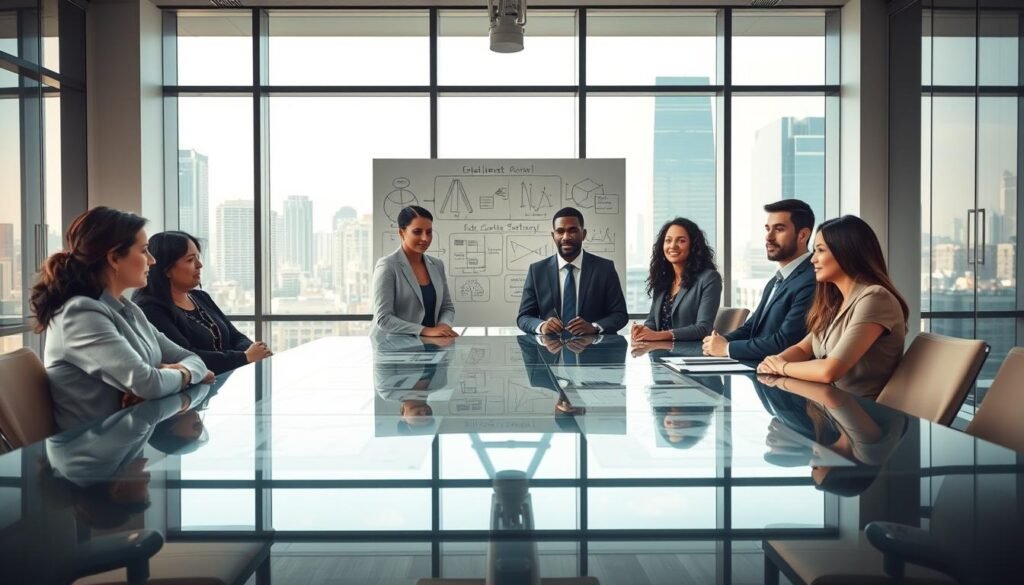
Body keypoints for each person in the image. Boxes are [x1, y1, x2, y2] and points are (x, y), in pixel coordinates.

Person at [31, 207, 212, 431]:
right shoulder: (80, 315)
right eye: (144, 251)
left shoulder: (129, 309)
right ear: (114, 258)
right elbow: (149, 384)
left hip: (125, 443)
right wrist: (182, 373)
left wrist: (165, 372)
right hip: (91, 455)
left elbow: (191, 358)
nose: (152, 261)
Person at [756, 215, 909, 398]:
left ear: (846, 252)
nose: (813, 259)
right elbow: (803, 349)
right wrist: (775, 361)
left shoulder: (875, 298)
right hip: (828, 407)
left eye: (820, 250)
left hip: (862, 415)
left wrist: (781, 367)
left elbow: (829, 370)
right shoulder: (835, 301)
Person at [133, 231, 271, 372]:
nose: (199, 265)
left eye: (198, 258)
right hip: (191, 390)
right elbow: (185, 356)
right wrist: (244, 357)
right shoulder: (150, 308)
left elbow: (236, 336)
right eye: (190, 260)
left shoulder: (201, 297)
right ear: (166, 269)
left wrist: (253, 352)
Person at [703, 199, 817, 360]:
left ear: (803, 235)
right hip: (760, 369)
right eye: (767, 229)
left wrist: (727, 348)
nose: (768, 237)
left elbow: (786, 342)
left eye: (779, 229)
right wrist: (721, 341)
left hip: (784, 377)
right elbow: (752, 327)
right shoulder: (775, 281)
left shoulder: (812, 279)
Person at [517, 207, 628, 336]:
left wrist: (594, 327)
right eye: (560, 231)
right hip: (550, 352)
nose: (566, 237)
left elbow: (620, 315)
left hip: (594, 351)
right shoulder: (537, 271)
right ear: (553, 236)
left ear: (584, 234)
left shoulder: (604, 268)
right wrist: (542, 326)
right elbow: (524, 317)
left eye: (573, 230)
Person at [372, 206, 457, 337]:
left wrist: (443, 326)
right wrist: (426, 330)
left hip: (430, 346)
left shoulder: (437, 265)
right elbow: (384, 319)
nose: (425, 238)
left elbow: (447, 307)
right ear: (401, 233)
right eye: (417, 232)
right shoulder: (387, 266)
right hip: (395, 349)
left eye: (429, 232)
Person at [632, 217, 722, 343]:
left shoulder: (709, 278)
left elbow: (704, 328)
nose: (672, 246)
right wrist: (643, 330)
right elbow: (652, 320)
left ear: (693, 245)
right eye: (668, 240)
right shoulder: (663, 279)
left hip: (689, 355)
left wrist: (659, 335)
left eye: (681, 241)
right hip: (659, 352)